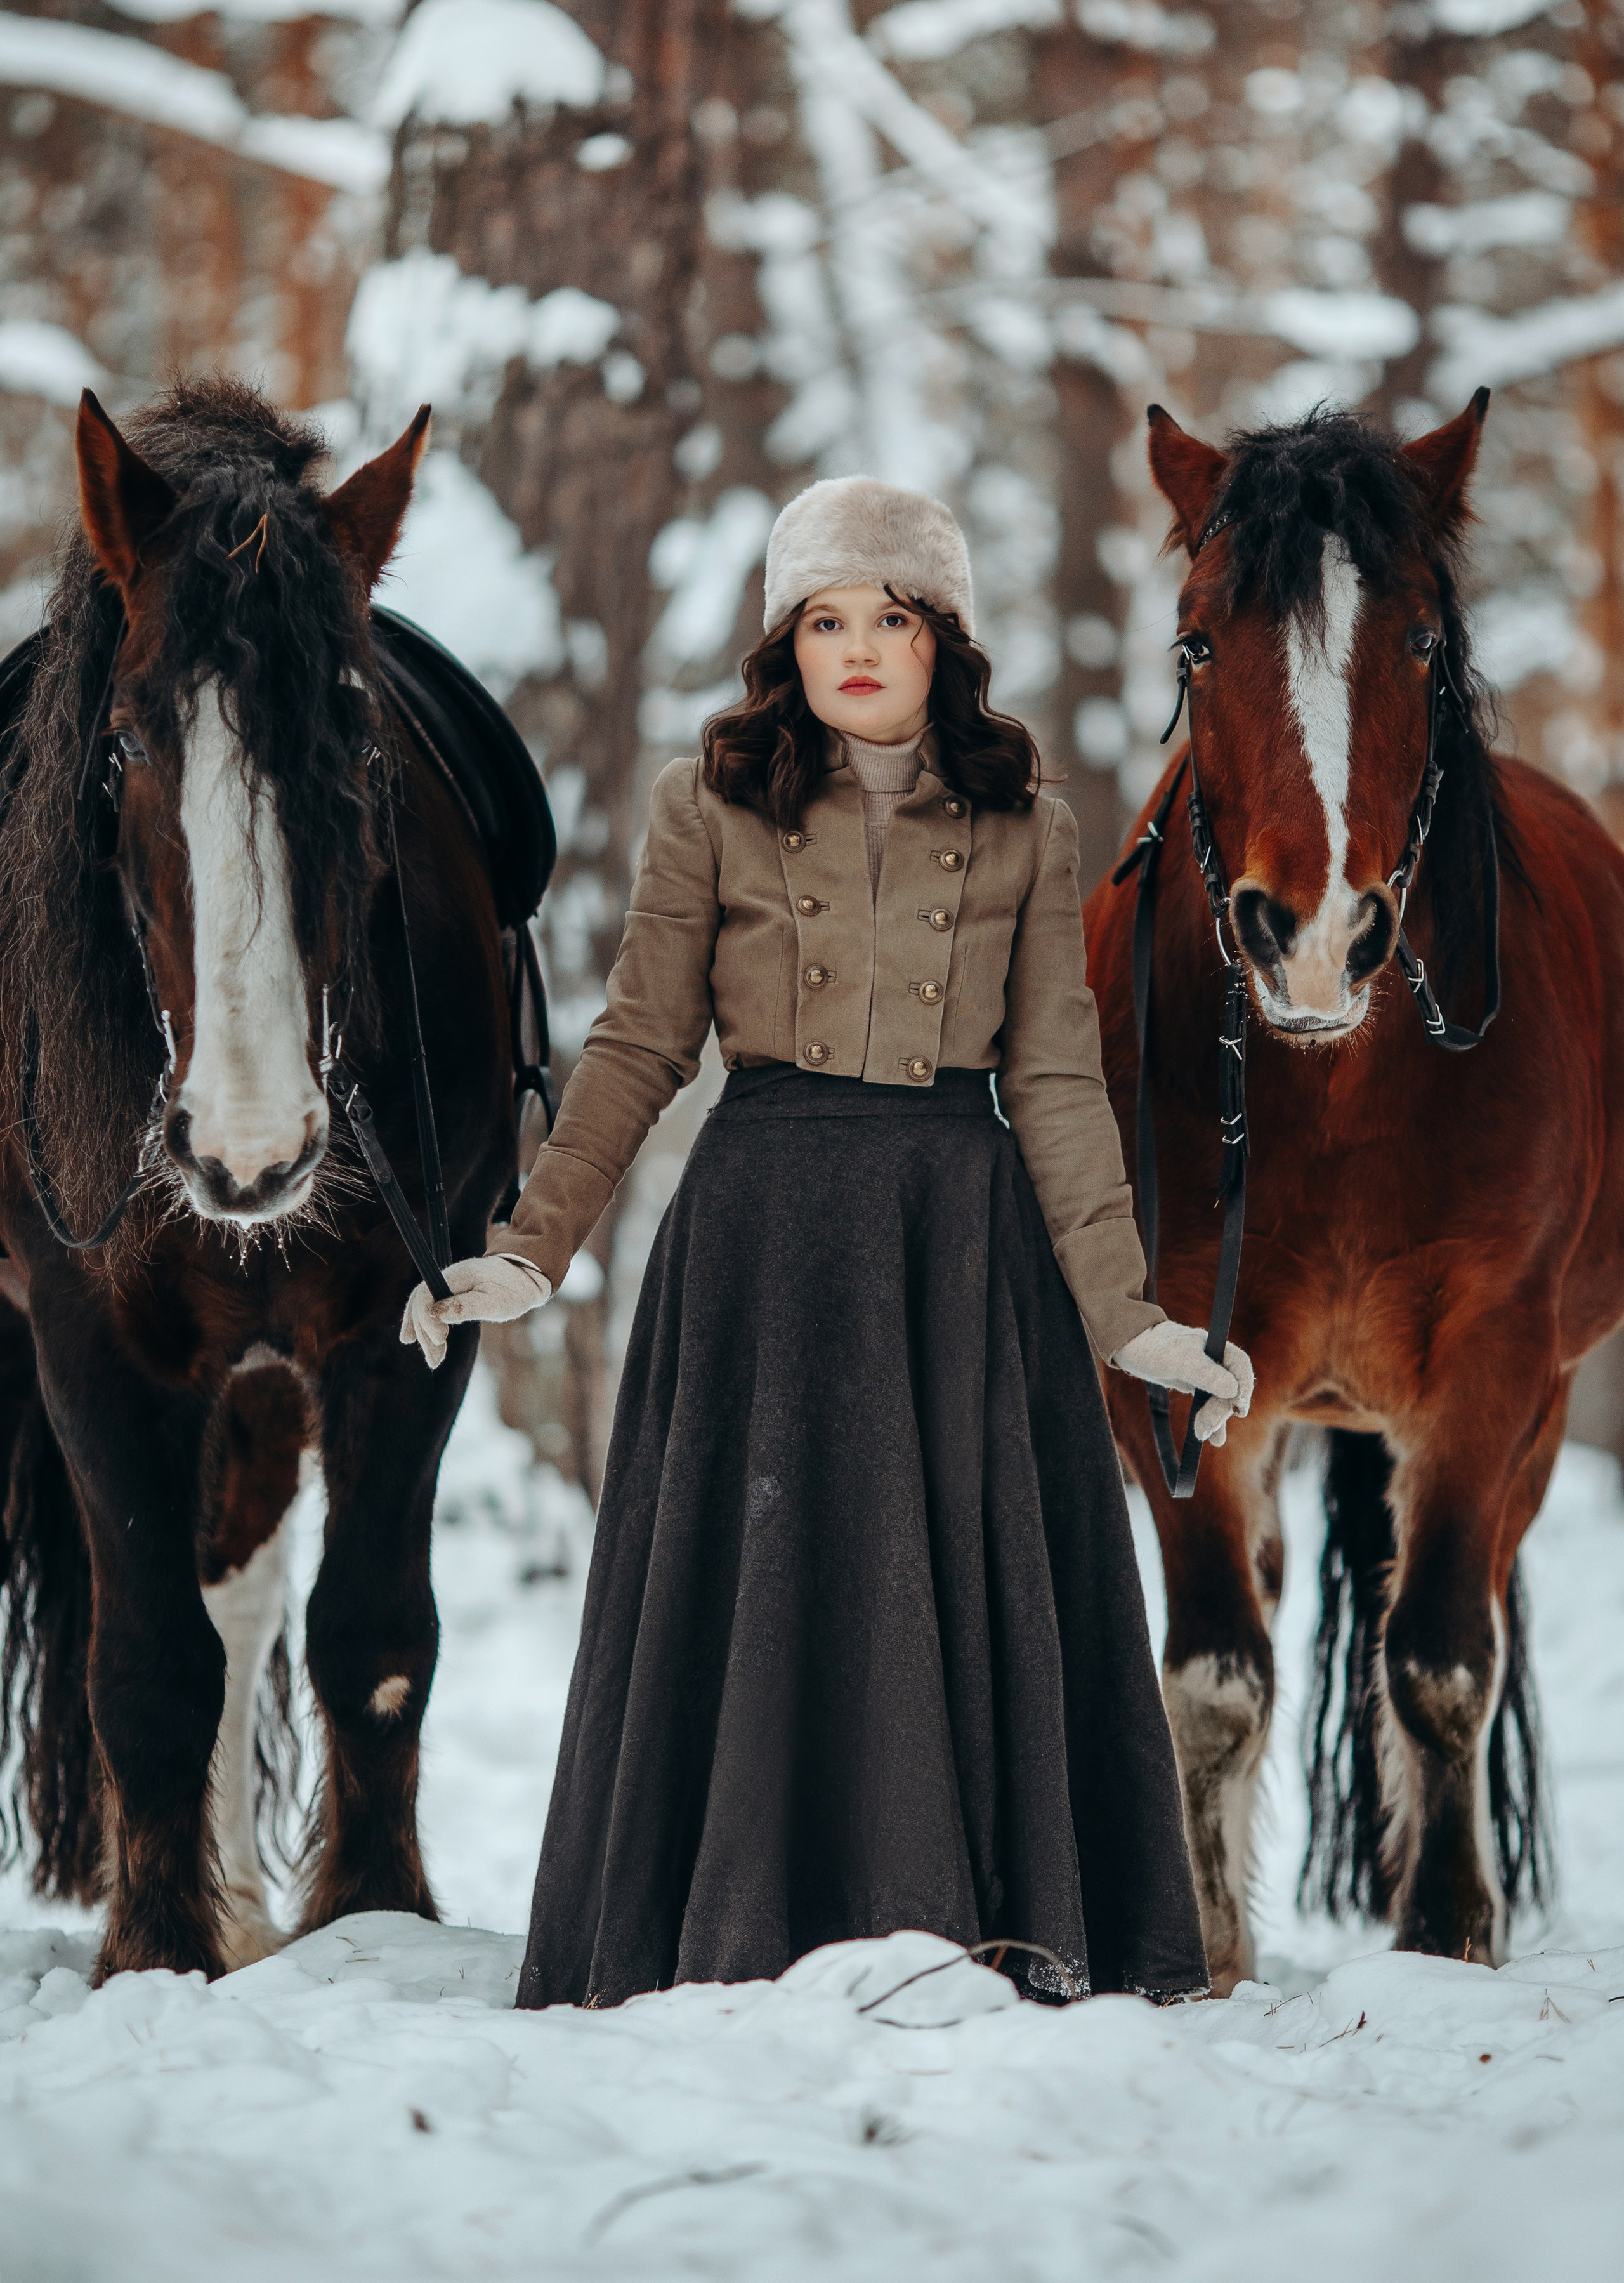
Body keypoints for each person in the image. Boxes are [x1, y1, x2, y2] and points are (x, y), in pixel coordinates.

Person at [402, 477, 1249, 2011]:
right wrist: (533, 1246)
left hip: (957, 1245)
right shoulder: (705, 807)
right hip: (762, 1238)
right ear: (785, 644)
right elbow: (639, 1046)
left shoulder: (1024, 827)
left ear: (946, 643)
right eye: (823, 619)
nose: (856, 647)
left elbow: (1055, 1078)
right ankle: (730, 1926)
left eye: (892, 616)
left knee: (953, 1591)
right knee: (767, 1588)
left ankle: (974, 1923)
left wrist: (1129, 1317)